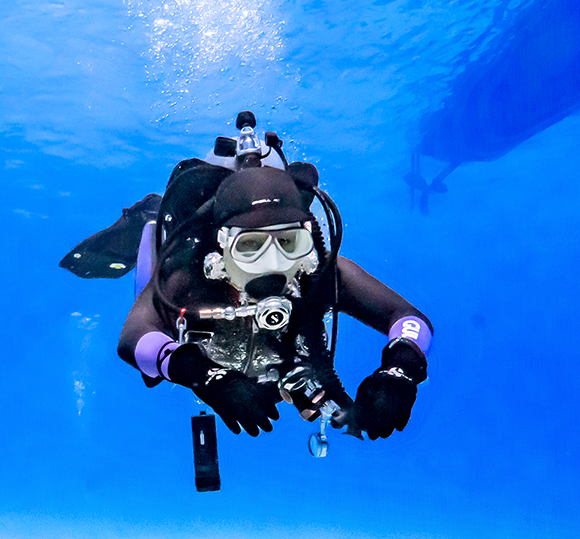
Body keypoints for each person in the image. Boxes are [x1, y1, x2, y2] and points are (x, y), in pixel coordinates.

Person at [63, 112, 431, 444]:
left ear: (307, 237)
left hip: (271, 364)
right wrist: (203, 375)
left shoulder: (319, 271)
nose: (273, 262)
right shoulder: (191, 275)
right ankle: (150, 216)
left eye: (289, 242)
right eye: (250, 246)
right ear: (222, 250)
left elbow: (408, 318)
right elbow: (133, 339)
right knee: (150, 274)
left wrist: (399, 371)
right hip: (210, 347)